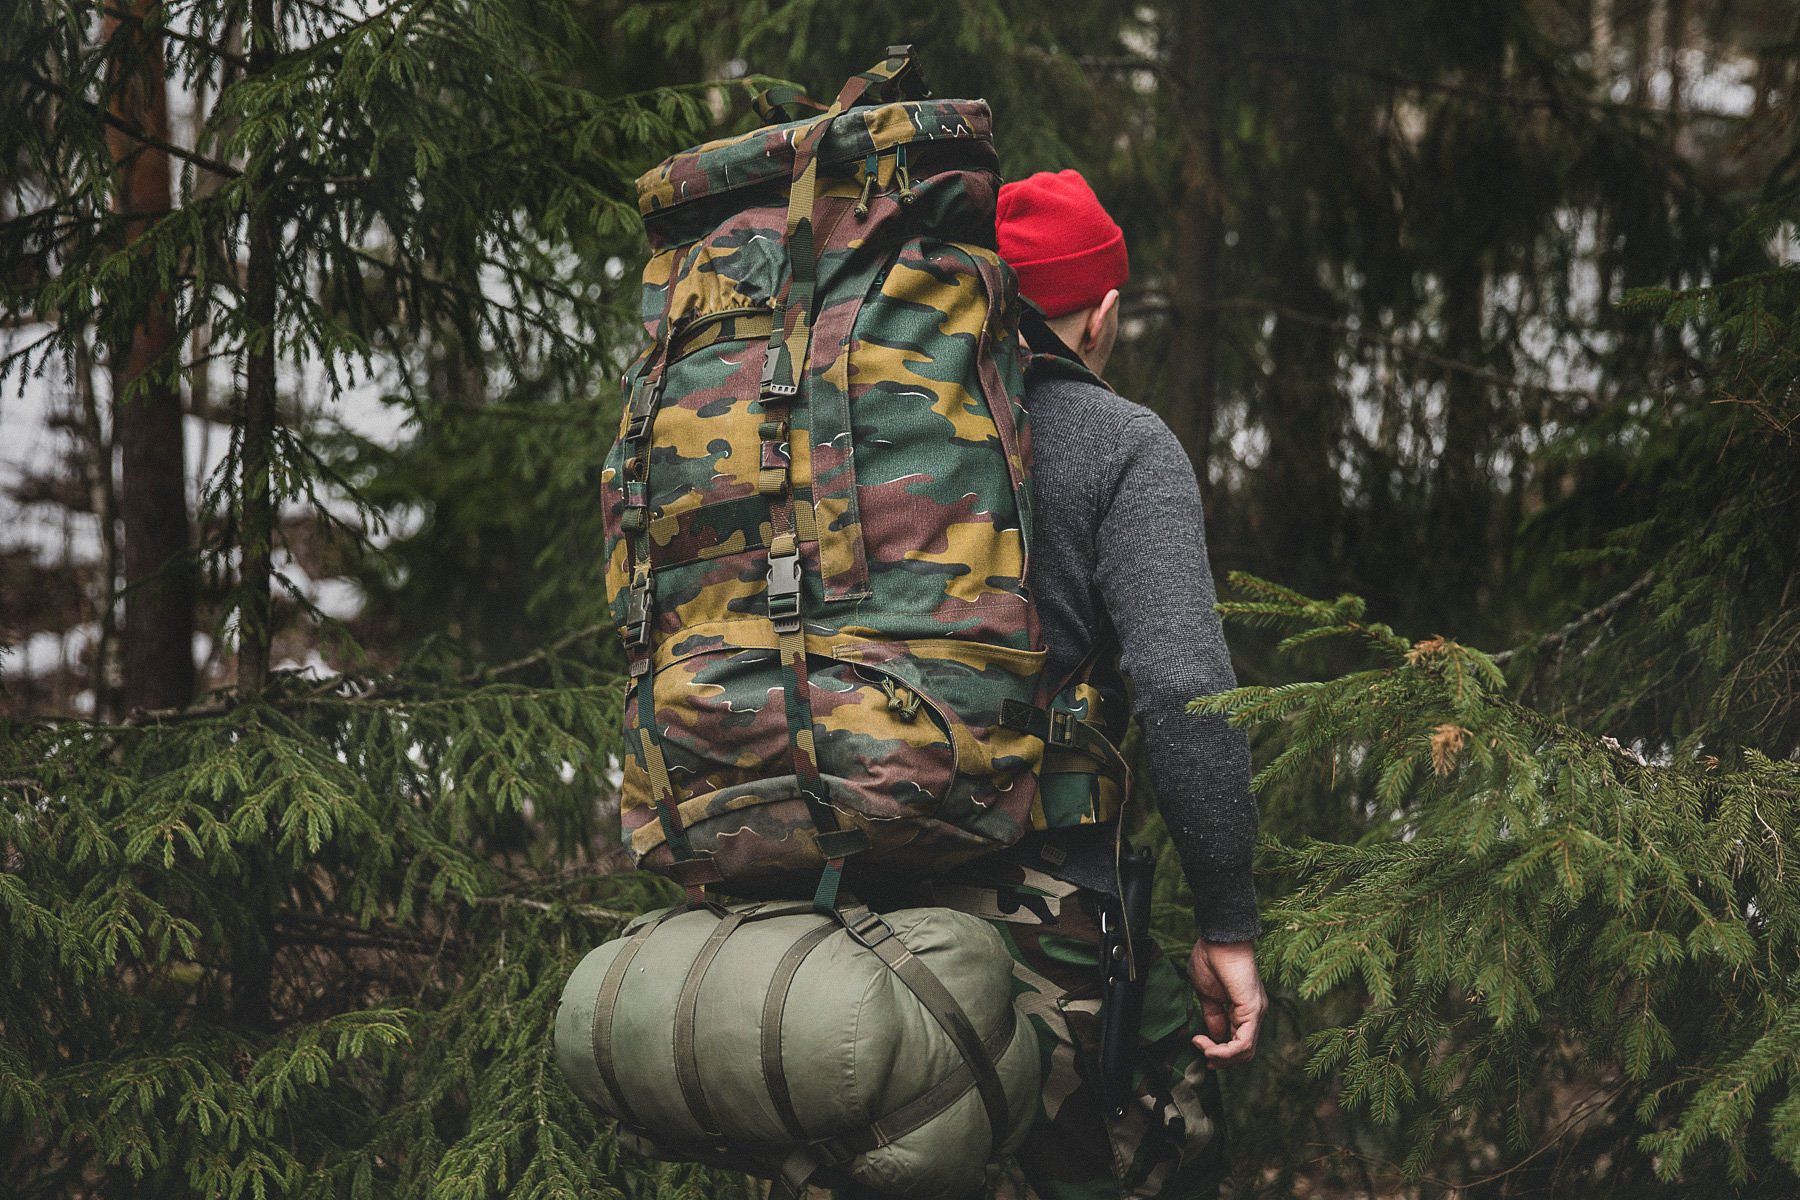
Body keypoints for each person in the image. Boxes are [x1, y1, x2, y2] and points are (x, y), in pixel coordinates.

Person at [953, 169, 1267, 1200]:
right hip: (1042, 932)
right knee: (1172, 1141)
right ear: (1105, 310)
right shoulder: (1124, 444)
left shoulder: (870, 438)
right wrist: (1226, 921)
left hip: (831, 913)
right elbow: (1183, 690)